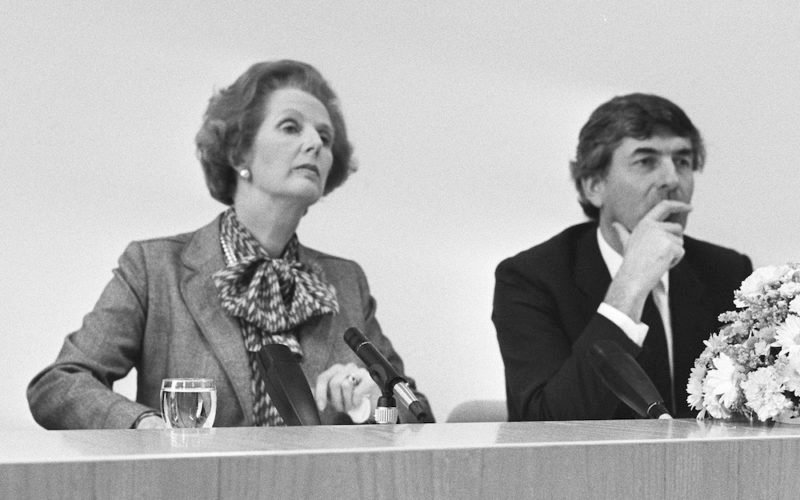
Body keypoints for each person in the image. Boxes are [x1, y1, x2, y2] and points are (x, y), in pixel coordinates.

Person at [28, 60, 433, 429]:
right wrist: (145, 426)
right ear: (240, 152)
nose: (315, 144)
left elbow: (418, 414)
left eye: (325, 137)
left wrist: (374, 403)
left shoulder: (346, 281)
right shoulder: (154, 268)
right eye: (291, 127)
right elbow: (60, 384)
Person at [492, 93, 752, 421]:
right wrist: (631, 285)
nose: (672, 180)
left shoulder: (727, 272)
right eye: (646, 161)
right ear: (593, 185)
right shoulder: (531, 278)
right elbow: (544, 424)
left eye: (682, 162)